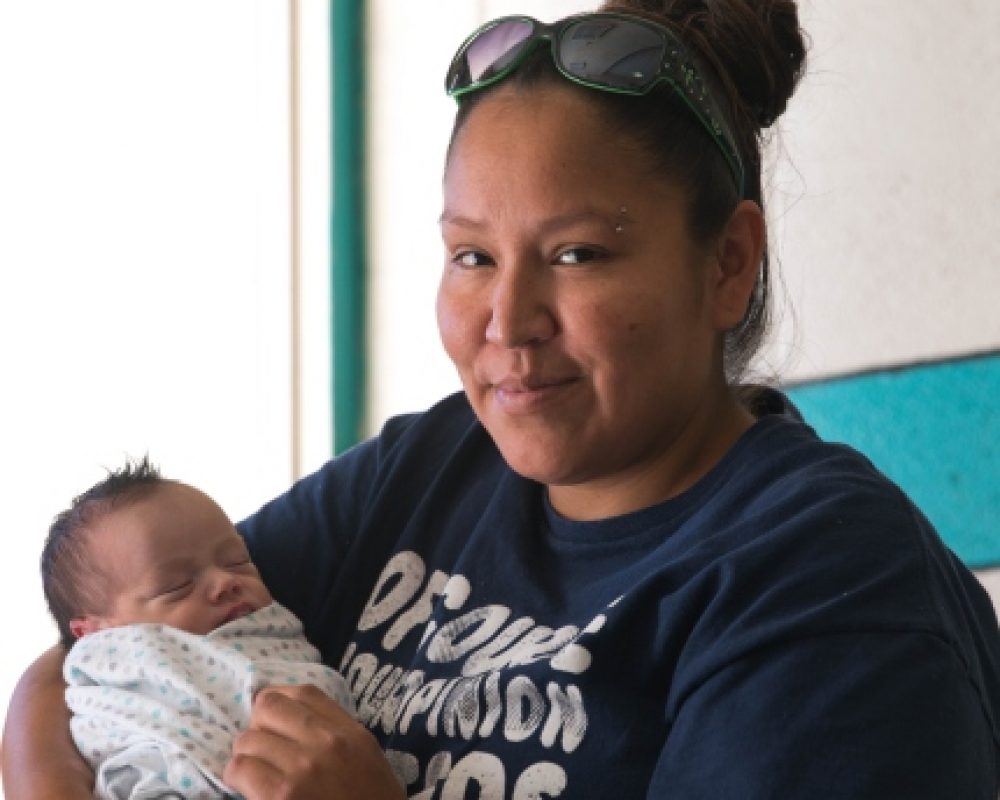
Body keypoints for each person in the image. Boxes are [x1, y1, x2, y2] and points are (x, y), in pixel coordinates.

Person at [5, 1, 1000, 798]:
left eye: (576, 254)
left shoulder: (826, 582)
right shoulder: (432, 468)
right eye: (471, 255)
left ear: (727, 263)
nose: (507, 319)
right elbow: (97, 642)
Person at [39, 458, 354, 799]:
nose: (226, 581)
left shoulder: (269, 627)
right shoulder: (120, 682)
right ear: (99, 635)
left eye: (238, 561)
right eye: (176, 586)